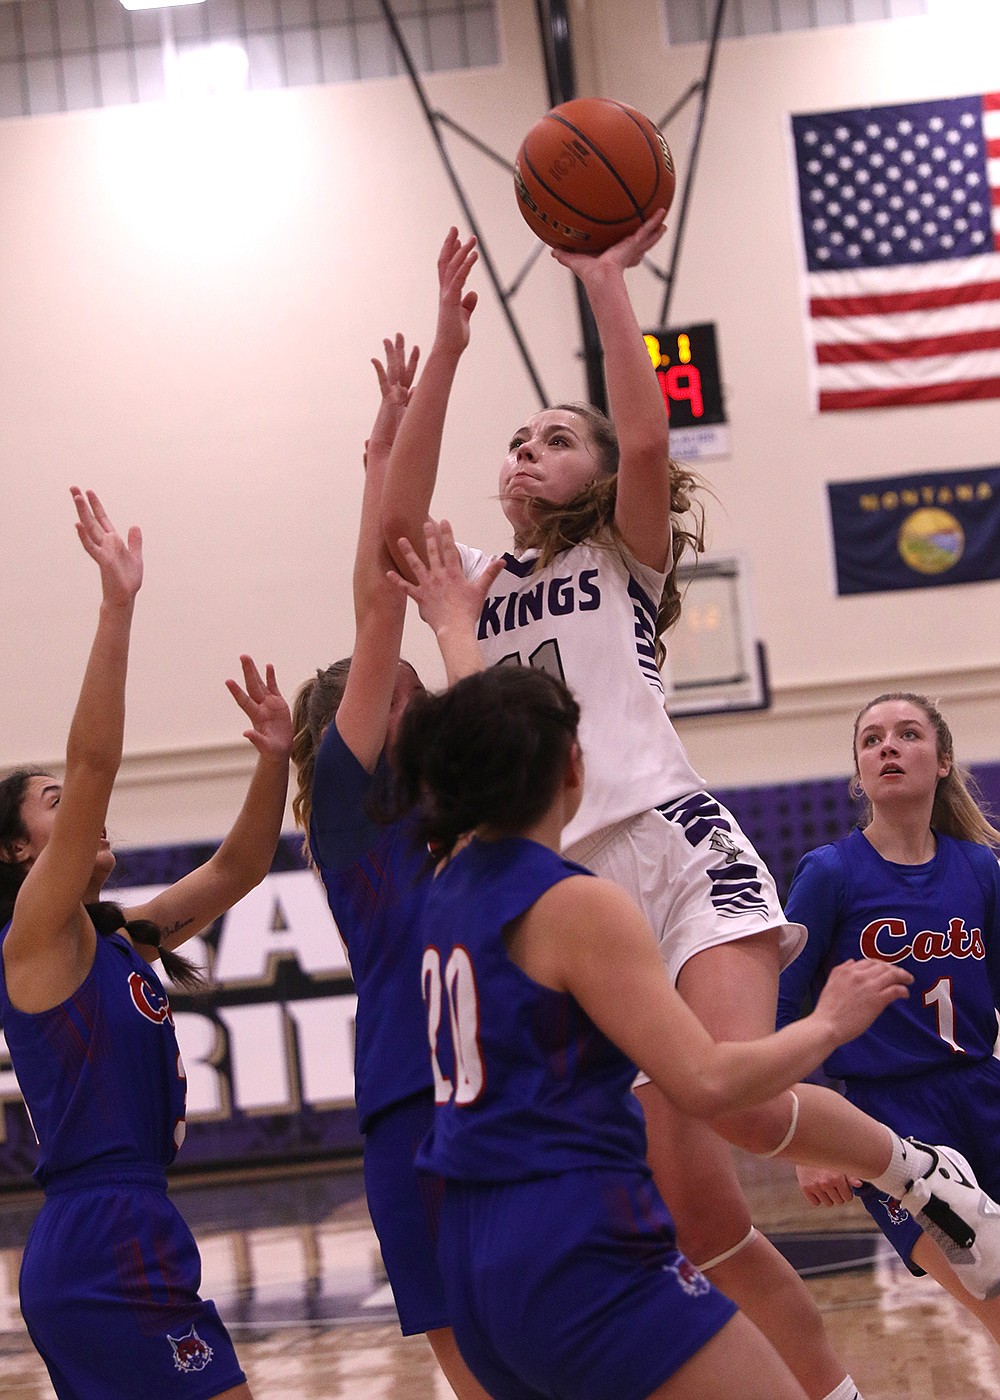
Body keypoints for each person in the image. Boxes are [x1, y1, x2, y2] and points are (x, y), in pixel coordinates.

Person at [379, 222, 1000, 1399]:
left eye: (556, 437)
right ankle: (838, 1392)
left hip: (673, 844)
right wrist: (446, 361)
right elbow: (410, 578)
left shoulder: (622, 549)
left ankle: (916, 1167)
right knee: (700, 1216)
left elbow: (650, 426)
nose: (527, 448)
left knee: (737, 1080)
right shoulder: (474, 593)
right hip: (568, 885)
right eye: (516, 439)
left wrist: (610, 285)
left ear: (600, 477)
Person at [385, 661, 918, 1400]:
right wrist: (828, 1022)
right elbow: (706, 1082)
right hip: (576, 1239)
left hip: (472, 1254)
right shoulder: (576, 904)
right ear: (573, 765)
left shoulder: (442, 892)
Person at [0, 488, 293, 1400]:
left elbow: (241, 867)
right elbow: (94, 764)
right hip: (101, 1242)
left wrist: (276, 755)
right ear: (17, 853)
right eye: (52, 807)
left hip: (130, 1227)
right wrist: (116, 609)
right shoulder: (35, 936)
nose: (81, 806)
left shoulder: (122, 938)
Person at [289, 337, 499, 1398]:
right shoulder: (348, 806)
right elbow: (379, 595)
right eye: (394, 690)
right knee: (477, 1367)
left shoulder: (473, 804)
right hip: (415, 1101)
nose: (414, 698)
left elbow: (488, 712)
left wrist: (457, 626)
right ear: (357, 726)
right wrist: (408, 416)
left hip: (514, 1084)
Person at [779, 691, 1000, 1340]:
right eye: (872, 740)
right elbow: (779, 1011)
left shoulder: (980, 869)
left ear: (941, 763)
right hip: (889, 1121)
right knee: (991, 1301)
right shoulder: (828, 874)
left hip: (984, 1091)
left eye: (907, 734)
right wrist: (808, 1138)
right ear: (858, 771)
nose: (888, 747)